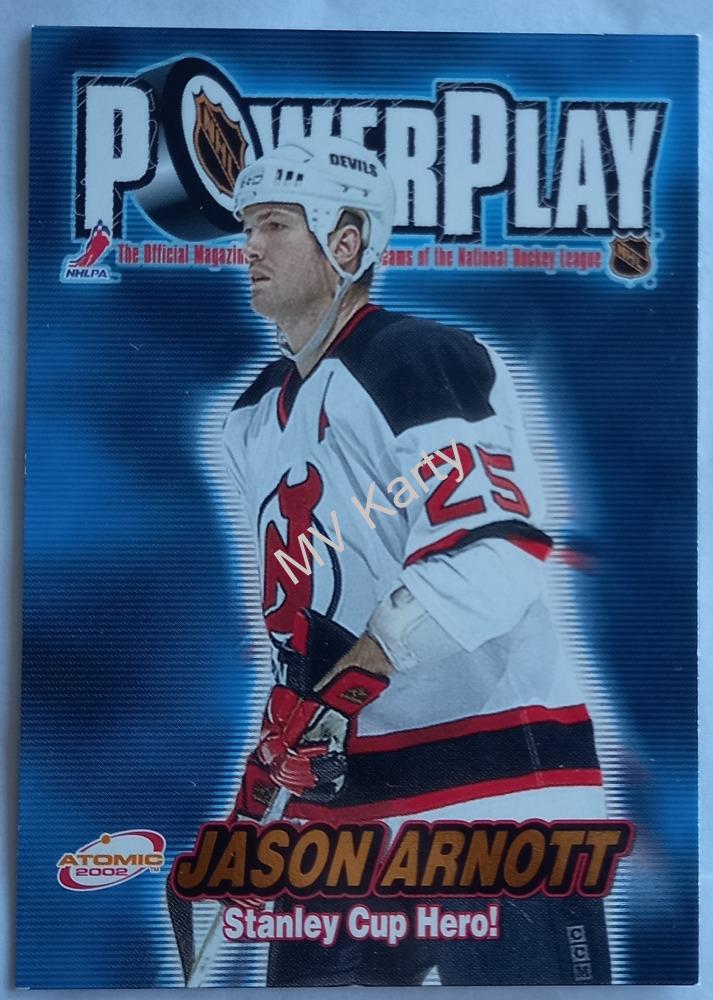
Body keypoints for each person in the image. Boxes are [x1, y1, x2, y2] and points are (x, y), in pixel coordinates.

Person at [221, 136, 611, 985]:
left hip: (495, 796)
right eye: (246, 227)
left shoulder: (416, 357)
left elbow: (494, 548)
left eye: (275, 225)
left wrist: (349, 682)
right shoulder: (251, 417)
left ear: (347, 241)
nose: (248, 247)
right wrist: (272, 766)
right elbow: (309, 612)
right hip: (340, 809)